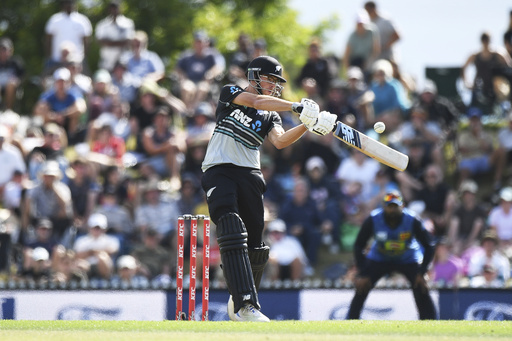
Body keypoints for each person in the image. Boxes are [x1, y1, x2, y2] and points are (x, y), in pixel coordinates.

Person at [200, 55, 336, 322]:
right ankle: (246, 305)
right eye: (270, 78)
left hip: (250, 174)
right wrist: (297, 106)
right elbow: (257, 101)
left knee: (256, 245)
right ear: (254, 76)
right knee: (229, 225)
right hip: (219, 168)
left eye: (277, 81)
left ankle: (239, 296)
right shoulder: (232, 93)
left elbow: (281, 141)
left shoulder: (271, 115)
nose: (274, 84)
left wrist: (307, 125)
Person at [346, 190, 437, 320]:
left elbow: (429, 245)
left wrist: (422, 271)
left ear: (402, 206)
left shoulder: (412, 219)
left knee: (421, 285)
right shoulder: (373, 219)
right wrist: (363, 272)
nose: (392, 210)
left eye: (395, 207)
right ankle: (351, 319)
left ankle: (430, 321)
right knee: (362, 285)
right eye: (389, 207)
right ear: (383, 206)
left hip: (408, 258)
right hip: (379, 258)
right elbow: (358, 245)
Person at [461, 32, 512, 114]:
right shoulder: (475, 55)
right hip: (479, 86)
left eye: (487, 40)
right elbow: (464, 68)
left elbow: (509, 67)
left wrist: (504, 83)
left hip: (496, 88)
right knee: (473, 108)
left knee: (503, 107)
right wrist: (467, 83)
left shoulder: (498, 54)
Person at [44, 0, 92, 72]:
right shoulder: (55, 19)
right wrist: (49, 56)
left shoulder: (82, 20)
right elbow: (48, 40)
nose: (69, 5)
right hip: (56, 60)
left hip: (77, 60)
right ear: (63, 5)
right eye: (67, 3)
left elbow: (86, 40)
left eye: (72, 3)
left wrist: (84, 57)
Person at [95, 0, 135, 71]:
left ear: (120, 9)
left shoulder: (127, 23)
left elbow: (128, 41)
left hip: (123, 61)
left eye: (116, 8)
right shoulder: (102, 24)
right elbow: (100, 42)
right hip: (106, 61)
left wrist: (109, 42)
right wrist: (119, 42)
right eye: (112, 8)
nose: (114, 11)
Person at [342, 11, 380, 77]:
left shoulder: (372, 32)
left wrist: (369, 63)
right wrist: (348, 71)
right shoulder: (352, 36)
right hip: (354, 63)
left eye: (362, 23)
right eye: (358, 23)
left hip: (368, 62)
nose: (360, 25)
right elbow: (346, 56)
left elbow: (376, 50)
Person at [0, 37, 25, 111]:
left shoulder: (16, 62)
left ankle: (8, 110)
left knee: (11, 84)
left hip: (12, 87)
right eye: (2, 50)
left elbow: (23, 76)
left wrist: (18, 81)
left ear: (11, 51)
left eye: (5, 50)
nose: (3, 52)